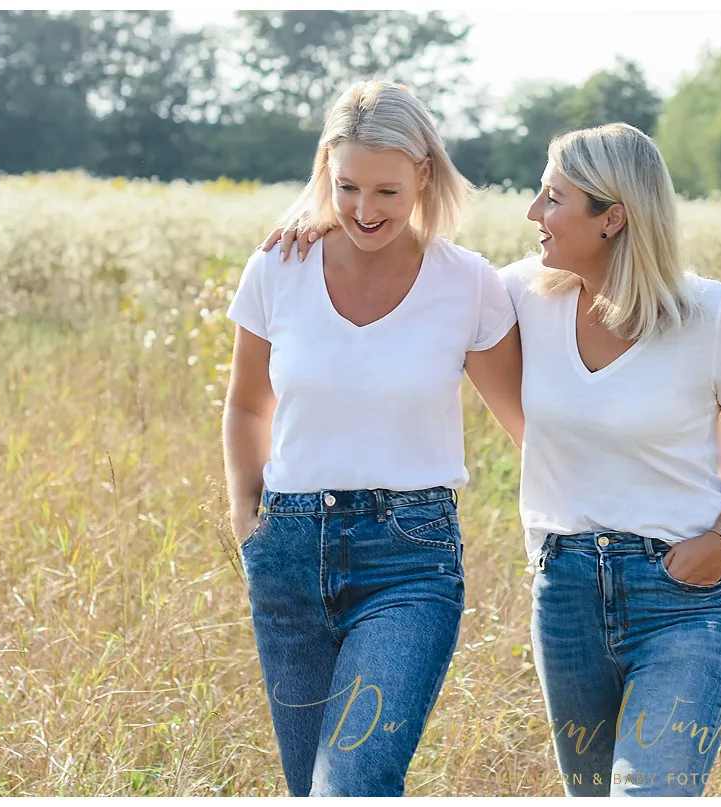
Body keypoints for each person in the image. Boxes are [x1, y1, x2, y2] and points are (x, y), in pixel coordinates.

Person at [268, 122, 721, 797]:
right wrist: (315, 222)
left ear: (613, 218)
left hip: (684, 601)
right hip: (566, 591)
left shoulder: (710, 314)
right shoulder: (519, 292)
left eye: (552, 198)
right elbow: (404, 253)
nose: (532, 214)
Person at [223, 79, 522, 797]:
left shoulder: (468, 283)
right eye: (348, 185)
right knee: (309, 788)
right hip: (288, 551)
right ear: (326, 168)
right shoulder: (277, 267)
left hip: (409, 562)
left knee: (351, 780)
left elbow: (528, 421)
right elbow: (245, 404)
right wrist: (247, 519)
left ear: (423, 173)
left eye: (387, 191)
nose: (364, 210)